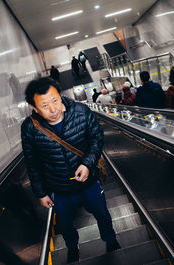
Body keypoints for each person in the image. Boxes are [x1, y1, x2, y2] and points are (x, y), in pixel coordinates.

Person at [21, 78, 120, 263]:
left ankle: (111, 240)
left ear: (60, 96)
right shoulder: (29, 128)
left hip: (89, 182)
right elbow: (31, 162)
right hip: (59, 188)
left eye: (55, 101)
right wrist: (41, 193)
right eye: (44, 105)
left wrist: (87, 164)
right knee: (65, 224)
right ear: (34, 108)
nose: (53, 109)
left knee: (102, 214)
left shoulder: (80, 111)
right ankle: (73, 248)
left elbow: (96, 138)